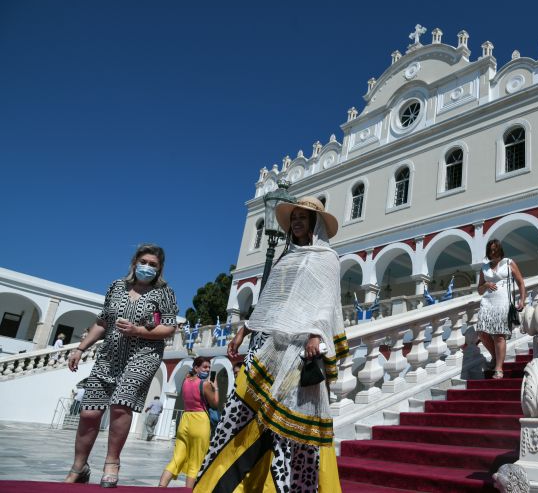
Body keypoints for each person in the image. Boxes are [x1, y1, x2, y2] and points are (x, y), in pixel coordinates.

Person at [195, 196, 349, 493]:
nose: (297, 221)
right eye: (294, 217)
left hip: (301, 349)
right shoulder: (285, 258)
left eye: (304, 216)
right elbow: (270, 300)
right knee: (243, 408)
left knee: (289, 424)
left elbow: (327, 300)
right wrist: (245, 329)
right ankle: (225, 484)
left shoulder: (327, 258)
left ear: (316, 223)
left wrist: (316, 332)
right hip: (270, 346)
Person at [64, 243, 178, 486]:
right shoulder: (116, 286)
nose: (147, 267)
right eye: (144, 262)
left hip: (143, 355)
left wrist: (138, 330)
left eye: (153, 265)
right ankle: (79, 466)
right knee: (89, 412)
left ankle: (112, 463)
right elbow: (102, 322)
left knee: (120, 405)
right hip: (109, 356)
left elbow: (169, 327)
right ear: (135, 262)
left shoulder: (164, 292)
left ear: (160, 269)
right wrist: (80, 348)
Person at [159, 357, 218, 488]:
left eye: (209, 367)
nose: (208, 370)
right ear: (196, 368)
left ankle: (161, 487)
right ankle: (188, 490)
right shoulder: (206, 384)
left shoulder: (185, 381)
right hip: (200, 420)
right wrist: (216, 388)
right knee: (195, 462)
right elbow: (215, 403)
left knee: (177, 458)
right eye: (205, 367)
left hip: (185, 419)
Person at [475, 239, 526, 379]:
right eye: (491, 249)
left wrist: (522, 299)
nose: (493, 252)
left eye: (495, 249)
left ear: (500, 250)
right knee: (481, 332)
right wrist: (485, 285)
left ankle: (498, 368)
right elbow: (479, 290)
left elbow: (520, 282)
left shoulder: (509, 263)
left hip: (503, 301)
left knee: (499, 335)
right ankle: (495, 357)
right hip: (487, 302)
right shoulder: (484, 268)